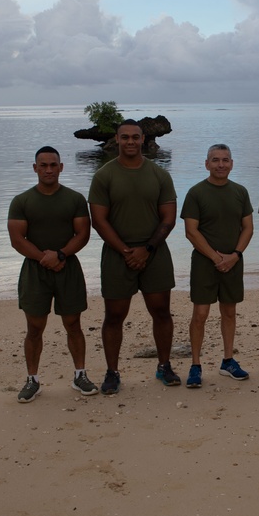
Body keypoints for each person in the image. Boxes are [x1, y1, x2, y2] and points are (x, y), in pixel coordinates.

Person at [88, 119, 179, 393]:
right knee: (114, 315)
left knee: (161, 311)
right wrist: (126, 251)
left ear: (143, 140)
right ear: (116, 139)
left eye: (135, 137)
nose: (130, 142)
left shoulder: (159, 174)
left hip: (155, 252)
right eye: (125, 137)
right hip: (118, 254)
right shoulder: (104, 175)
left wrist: (147, 249)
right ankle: (112, 372)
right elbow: (99, 220)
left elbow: (169, 218)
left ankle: (164, 366)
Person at [7, 146, 94, 403]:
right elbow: (16, 239)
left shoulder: (75, 199)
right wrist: (44, 258)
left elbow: (83, 234)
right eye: (43, 165)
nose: (48, 169)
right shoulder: (22, 201)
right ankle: (32, 379)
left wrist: (61, 255)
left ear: (61, 167)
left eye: (53, 165)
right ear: (35, 168)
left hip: (68, 269)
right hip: (35, 271)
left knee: (73, 324)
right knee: (34, 328)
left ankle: (80, 374)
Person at [180, 144, 254, 387]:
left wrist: (235, 255)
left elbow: (248, 227)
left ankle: (228, 361)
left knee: (229, 311)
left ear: (232, 163)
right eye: (215, 160)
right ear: (207, 164)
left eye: (225, 160)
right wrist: (214, 257)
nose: (220, 164)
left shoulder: (240, 192)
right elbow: (191, 231)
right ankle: (195, 365)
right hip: (204, 262)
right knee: (200, 314)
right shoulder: (196, 192)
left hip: (233, 262)